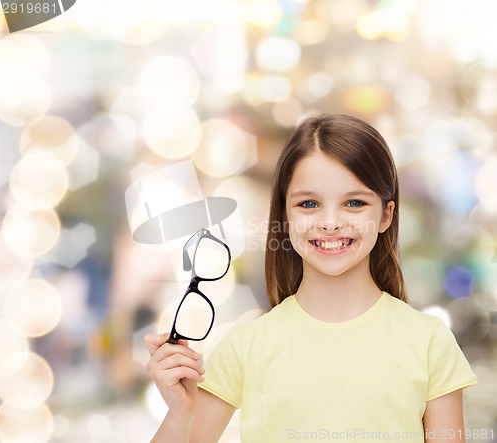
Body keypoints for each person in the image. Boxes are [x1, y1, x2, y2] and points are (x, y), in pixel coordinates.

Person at [145, 114, 477, 443]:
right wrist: (179, 414)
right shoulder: (246, 346)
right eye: (308, 203)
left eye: (354, 203)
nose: (330, 222)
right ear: (285, 215)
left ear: (386, 215)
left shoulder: (429, 342)